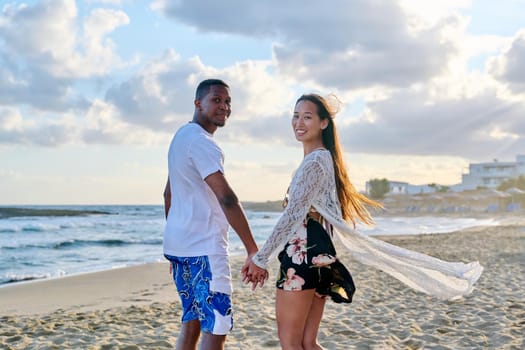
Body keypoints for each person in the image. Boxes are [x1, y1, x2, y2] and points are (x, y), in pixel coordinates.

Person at [242, 93, 483, 350]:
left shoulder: (315, 162)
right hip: (320, 252)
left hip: (301, 255)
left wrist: (260, 258)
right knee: (308, 343)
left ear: (324, 123)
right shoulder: (324, 159)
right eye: (296, 115)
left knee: (291, 344)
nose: (299, 122)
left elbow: (292, 216)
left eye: (308, 117)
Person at [163, 78, 267, 350]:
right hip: (205, 249)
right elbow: (227, 198)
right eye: (216, 100)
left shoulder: (181, 137)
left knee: (193, 321)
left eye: (228, 101)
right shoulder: (201, 142)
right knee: (216, 326)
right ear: (198, 103)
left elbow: (168, 194)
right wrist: (252, 249)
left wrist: (176, 241)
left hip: (181, 248)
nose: (224, 107)